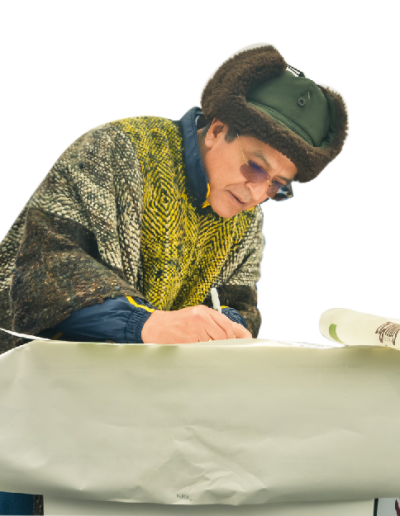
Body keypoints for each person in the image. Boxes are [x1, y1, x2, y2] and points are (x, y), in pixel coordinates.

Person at [0, 43, 349, 515]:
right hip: (22, 414)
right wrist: (148, 324)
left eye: (277, 187)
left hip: (127, 429)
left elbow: (241, 304)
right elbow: (39, 269)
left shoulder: (246, 221)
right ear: (217, 129)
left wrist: (226, 328)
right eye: (255, 166)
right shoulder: (116, 149)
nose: (257, 194)